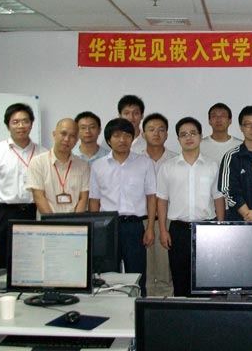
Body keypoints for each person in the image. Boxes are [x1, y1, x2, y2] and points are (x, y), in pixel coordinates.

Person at [157, 117, 225, 297]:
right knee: (180, 280)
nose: (188, 137)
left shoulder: (212, 165)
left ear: (200, 136)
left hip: (207, 229)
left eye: (193, 133)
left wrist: (221, 227)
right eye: (183, 134)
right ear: (178, 139)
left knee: (208, 280)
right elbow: (162, 200)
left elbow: (218, 198)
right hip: (178, 230)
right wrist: (163, 230)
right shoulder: (168, 167)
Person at [89, 118, 156, 296]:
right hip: (107, 227)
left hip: (134, 226)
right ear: (108, 140)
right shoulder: (98, 166)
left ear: (132, 138)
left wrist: (150, 228)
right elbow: (94, 201)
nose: (122, 140)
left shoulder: (144, 163)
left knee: (138, 274)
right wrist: (96, 232)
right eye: (117, 135)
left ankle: (138, 307)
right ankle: (110, 309)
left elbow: (151, 197)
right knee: (107, 276)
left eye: (127, 135)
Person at [0, 103, 47, 269]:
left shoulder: (43, 153)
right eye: (15, 122)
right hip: (4, 214)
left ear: (31, 124)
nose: (21, 126)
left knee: (31, 263)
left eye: (25, 121)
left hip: (32, 213)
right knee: (4, 265)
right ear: (8, 125)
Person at [142, 113, 178, 296]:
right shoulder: (136, 160)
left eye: (161, 130)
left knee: (166, 270)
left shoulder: (176, 160)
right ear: (143, 134)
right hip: (142, 220)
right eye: (151, 129)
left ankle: (166, 306)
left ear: (167, 134)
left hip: (167, 221)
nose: (156, 133)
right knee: (146, 271)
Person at [26, 118, 90, 214]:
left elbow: (83, 198)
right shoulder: (38, 162)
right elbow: (39, 197)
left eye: (72, 136)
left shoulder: (83, 165)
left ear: (77, 140)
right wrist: (53, 222)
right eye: (63, 134)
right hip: (47, 221)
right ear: (54, 134)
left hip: (75, 222)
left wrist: (75, 221)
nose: (67, 139)